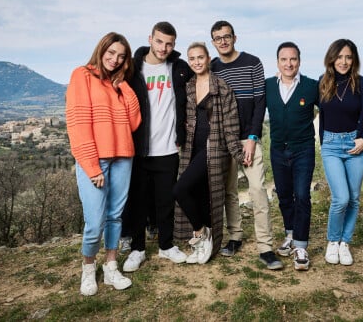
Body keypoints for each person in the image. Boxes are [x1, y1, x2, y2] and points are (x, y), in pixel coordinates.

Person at [65, 32, 141, 296]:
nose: (115, 59)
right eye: (111, 53)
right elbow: (78, 125)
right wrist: (92, 166)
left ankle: (110, 266)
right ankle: (88, 268)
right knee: (95, 222)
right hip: (95, 160)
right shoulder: (82, 76)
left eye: (121, 56)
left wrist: (124, 86)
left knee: (114, 217)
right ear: (101, 50)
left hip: (123, 157)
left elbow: (134, 122)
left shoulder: (120, 84)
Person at [210, 20, 282, 270]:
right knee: (229, 191)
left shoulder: (253, 62)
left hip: (248, 138)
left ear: (234, 37)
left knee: (257, 190)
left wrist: (252, 139)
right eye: (218, 38)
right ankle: (235, 237)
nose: (223, 41)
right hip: (223, 140)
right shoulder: (212, 68)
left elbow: (260, 102)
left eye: (226, 36)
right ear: (213, 42)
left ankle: (266, 247)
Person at [122, 22, 194, 273]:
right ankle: (137, 249)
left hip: (168, 147)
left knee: (165, 201)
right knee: (138, 202)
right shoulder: (133, 68)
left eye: (169, 43)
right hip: (139, 148)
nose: (164, 48)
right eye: (160, 41)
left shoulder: (179, 68)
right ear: (150, 39)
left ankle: (166, 245)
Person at [173, 42, 249, 264]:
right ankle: (205, 243)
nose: (197, 62)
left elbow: (231, 125)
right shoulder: (188, 87)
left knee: (180, 190)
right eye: (192, 59)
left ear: (208, 59)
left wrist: (237, 152)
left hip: (214, 149)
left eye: (200, 57)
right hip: (191, 148)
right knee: (199, 195)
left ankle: (201, 233)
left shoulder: (222, 88)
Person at [318, 39, 363, 266]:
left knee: (353, 199)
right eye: (339, 57)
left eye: (348, 57)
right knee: (340, 198)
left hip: (356, 144)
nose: (343, 62)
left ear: (354, 60)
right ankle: (332, 241)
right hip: (331, 145)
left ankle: (345, 243)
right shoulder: (322, 84)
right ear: (331, 59)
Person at [265, 42, 319, 271]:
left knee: (302, 195)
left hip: (303, 149)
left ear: (299, 61)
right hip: (277, 149)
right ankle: (290, 233)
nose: (289, 63)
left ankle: (301, 246)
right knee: (285, 196)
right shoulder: (268, 85)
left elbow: (332, 107)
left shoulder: (311, 86)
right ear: (278, 62)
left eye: (293, 59)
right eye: (284, 59)